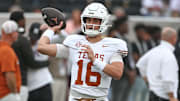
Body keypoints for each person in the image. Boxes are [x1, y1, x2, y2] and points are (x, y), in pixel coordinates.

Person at [38, 2, 128, 101]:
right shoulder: (74, 42)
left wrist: (95, 60)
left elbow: (117, 73)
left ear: (103, 22)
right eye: (88, 19)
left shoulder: (112, 45)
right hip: (76, 98)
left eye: (95, 20)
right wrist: (51, 29)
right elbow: (42, 47)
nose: (91, 24)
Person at [10, 11, 49, 101]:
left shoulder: (4, 39)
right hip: (20, 82)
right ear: (21, 21)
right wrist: (46, 63)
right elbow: (31, 63)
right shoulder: (22, 40)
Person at [136, 27, 179, 101]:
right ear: (174, 38)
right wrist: (171, 96)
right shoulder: (169, 55)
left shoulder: (154, 51)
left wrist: (149, 82)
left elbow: (141, 64)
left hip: (153, 94)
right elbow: (168, 79)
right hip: (164, 96)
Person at [27, 22, 53, 101]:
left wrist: (51, 29)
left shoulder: (44, 44)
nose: (34, 40)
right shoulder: (25, 45)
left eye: (37, 37)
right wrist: (47, 63)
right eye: (32, 37)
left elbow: (62, 37)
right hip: (31, 86)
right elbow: (32, 63)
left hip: (44, 83)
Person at [0, 20, 21, 101]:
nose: (17, 34)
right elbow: (9, 75)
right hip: (7, 94)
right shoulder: (7, 51)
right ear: (12, 33)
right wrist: (15, 94)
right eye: (16, 32)